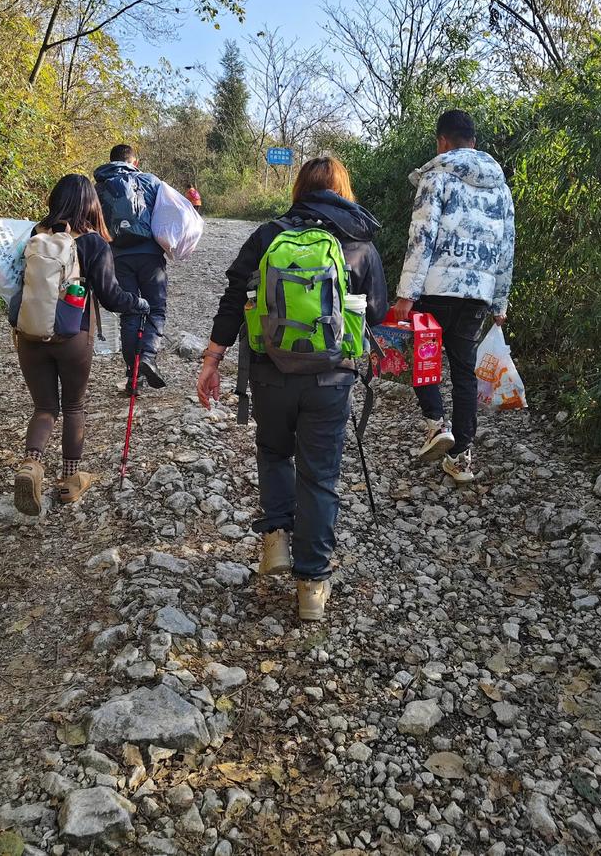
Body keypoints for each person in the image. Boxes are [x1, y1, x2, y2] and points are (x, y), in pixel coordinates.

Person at [196, 157, 388, 622]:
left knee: (275, 452)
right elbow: (377, 314)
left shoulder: (267, 235)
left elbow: (233, 297)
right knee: (320, 477)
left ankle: (276, 541)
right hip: (330, 379)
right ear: (344, 190)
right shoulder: (358, 242)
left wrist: (212, 358)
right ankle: (312, 588)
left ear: (299, 188)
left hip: (270, 371)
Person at [13, 174, 149, 515]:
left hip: (29, 334)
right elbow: (112, 297)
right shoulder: (92, 243)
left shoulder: (34, 235)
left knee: (44, 407)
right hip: (73, 334)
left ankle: (31, 464)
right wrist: (141, 304)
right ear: (91, 204)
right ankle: (71, 481)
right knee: (74, 406)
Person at [392, 109, 515, 484]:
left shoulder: (437, 176)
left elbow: (422, 238)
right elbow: (507, 247)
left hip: (435, 289)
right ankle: (462, 457)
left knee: (420, 354)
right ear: (473, 142)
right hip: (477, 293)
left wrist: (406, 295)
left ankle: (435, 424)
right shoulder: (500, 188)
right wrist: (499, 302)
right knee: (464, 372)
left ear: (442, 142)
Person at [94, 145, 168, 390]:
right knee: (155, 309)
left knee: (130, 311)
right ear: (134, 161)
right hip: (150, 256)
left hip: (118, 257)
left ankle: (132, 375)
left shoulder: (100, 186)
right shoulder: (150, 181)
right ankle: (148, 356)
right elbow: (167, 216)